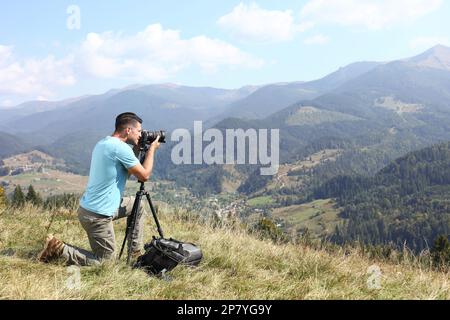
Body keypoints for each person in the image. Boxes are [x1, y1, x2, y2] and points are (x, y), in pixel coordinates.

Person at [37, 112, 161, 266]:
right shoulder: (120, 148)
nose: (141, 134)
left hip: (94, 208)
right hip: (97, 216)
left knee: (138, 205)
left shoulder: (105, 143)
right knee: (106, 263)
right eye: (139, 131)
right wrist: (151, 150)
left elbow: (127, 171)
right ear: (128, 130)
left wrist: (137, 149)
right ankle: (58, 249)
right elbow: (144, 176)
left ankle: (135, 253)